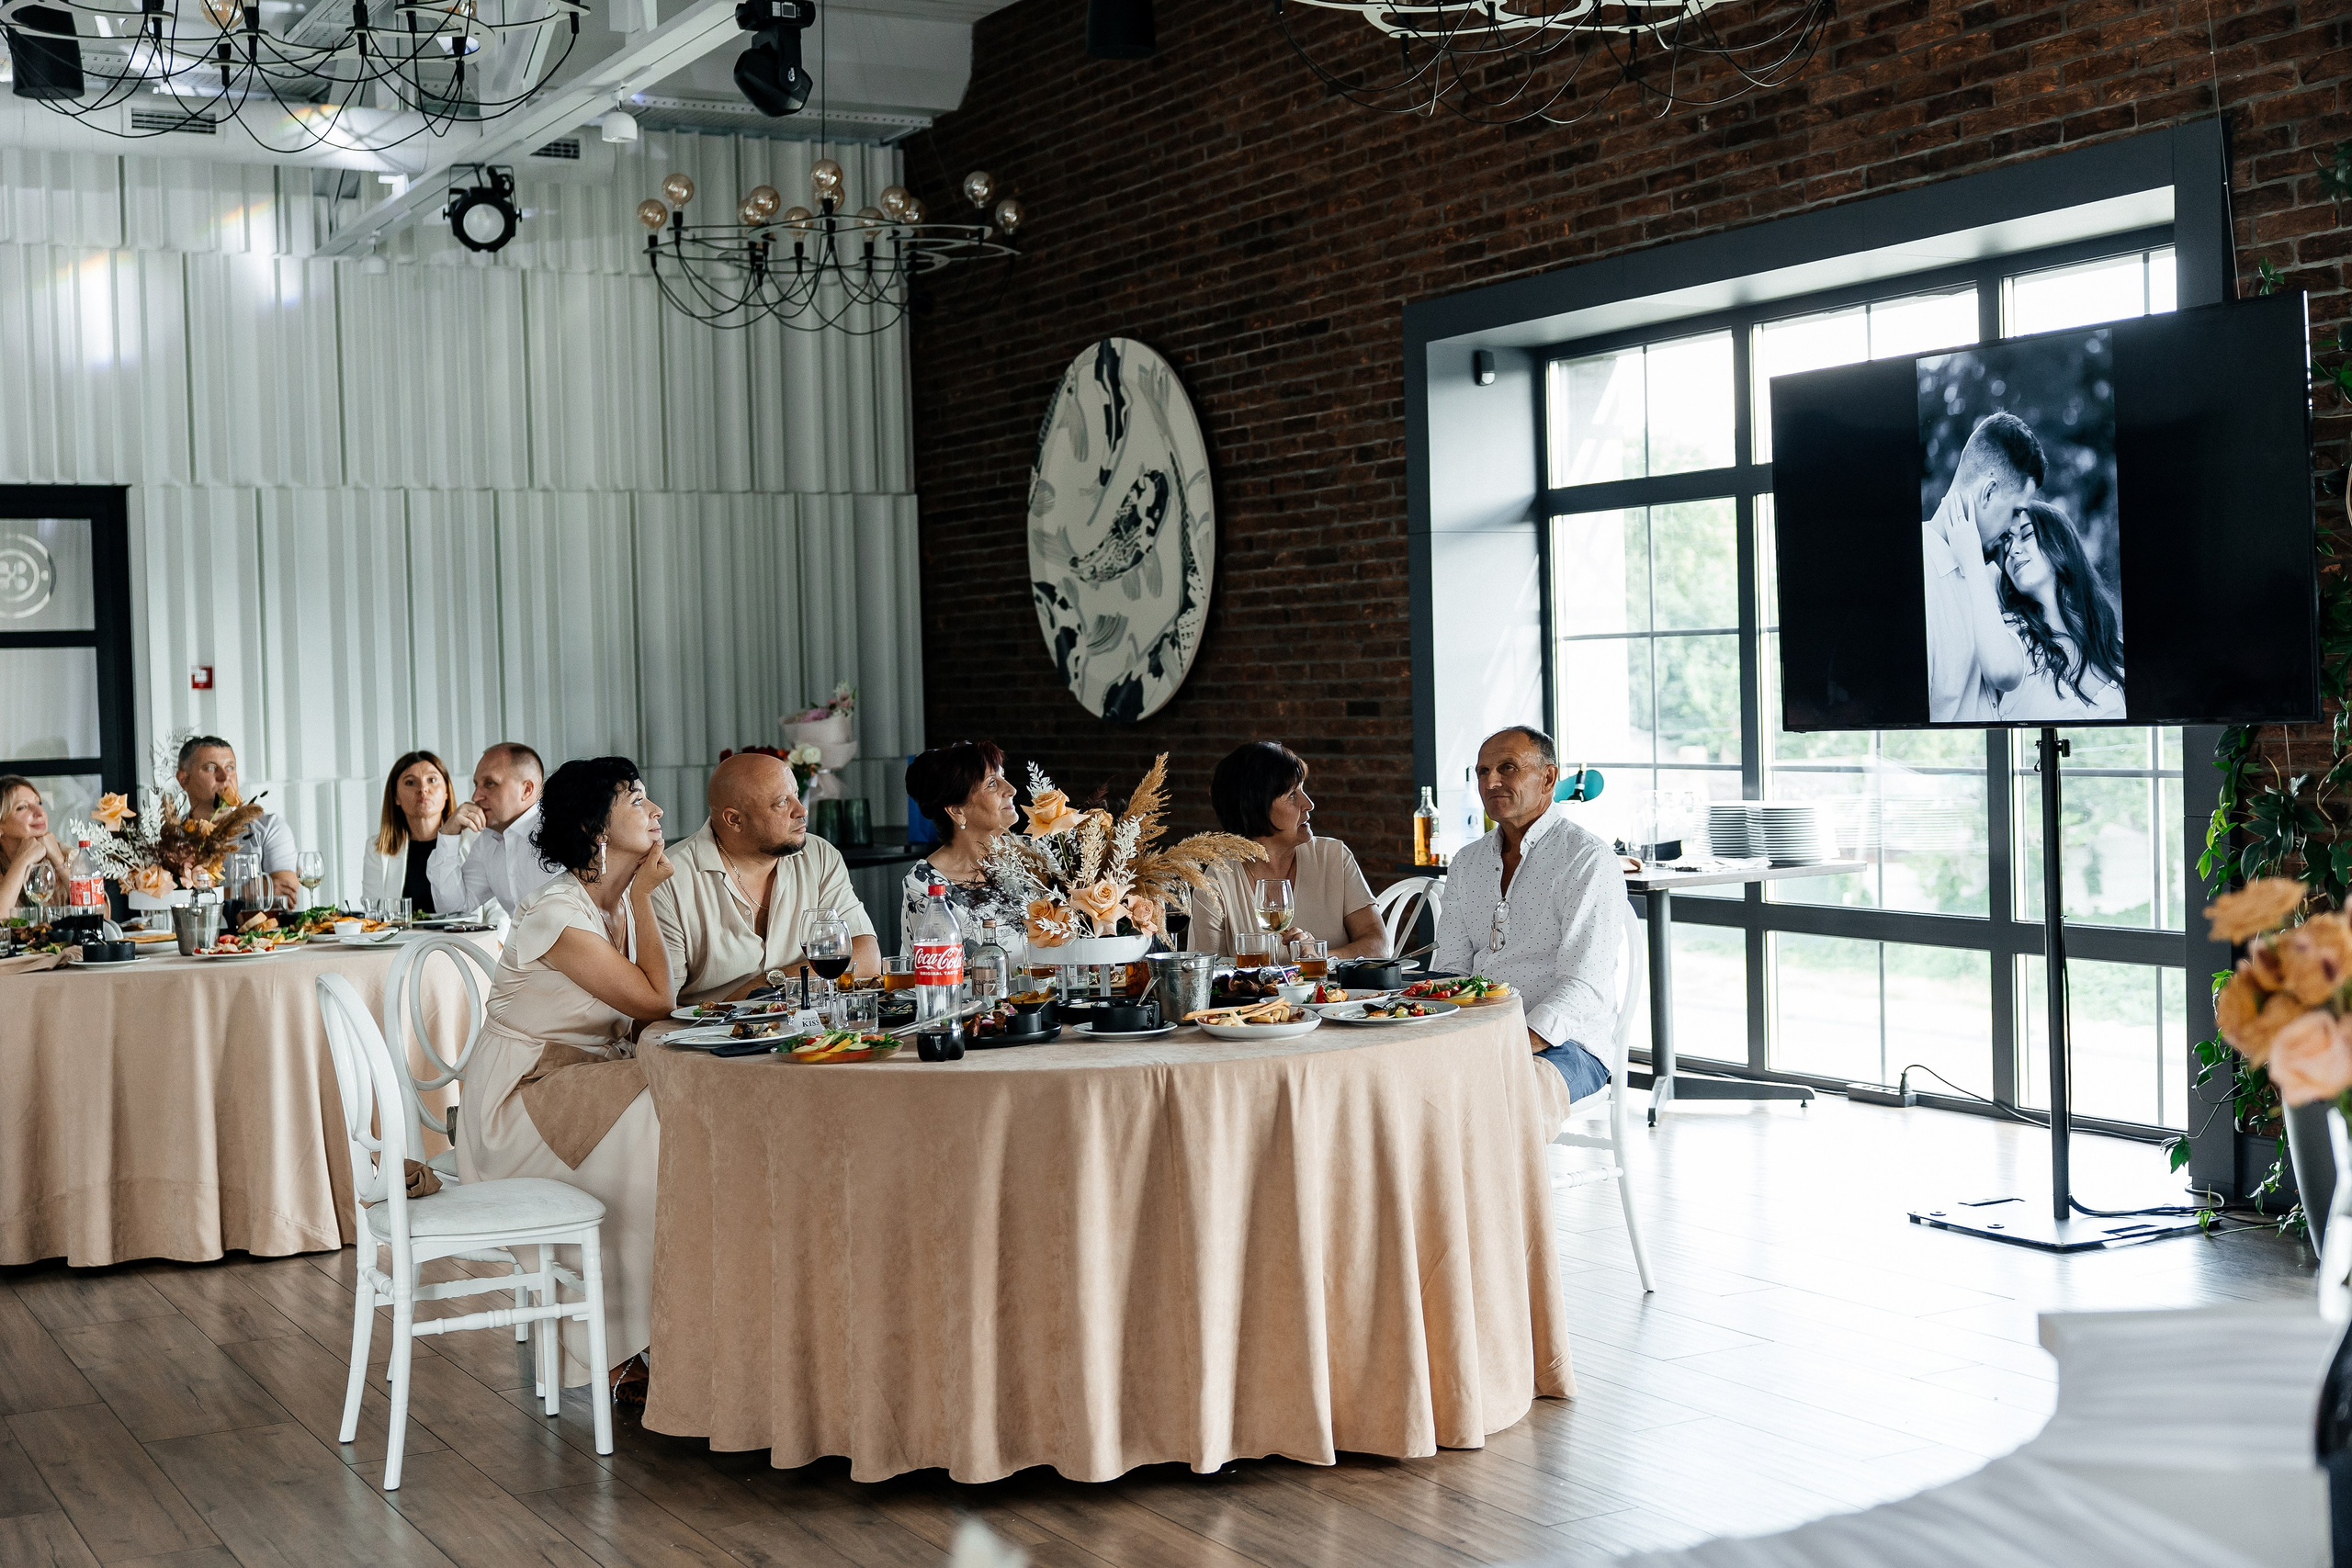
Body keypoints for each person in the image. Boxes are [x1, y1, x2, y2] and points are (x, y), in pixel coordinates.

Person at [456, 758, 674, 1407]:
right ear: (593, 827)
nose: (656, 811)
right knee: (654, 1117)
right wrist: (644, 896)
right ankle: (619, 1346)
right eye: (637, 799)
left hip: (575, 1083)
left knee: (670, 1109)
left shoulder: (609, 907)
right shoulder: (559, 913)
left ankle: (661, 1333)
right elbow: (656, 1001)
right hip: (515, 1103)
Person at [1431, 726, 1619, 1105]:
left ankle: (1492, 1167)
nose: (1491, 781)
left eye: (1508, 768)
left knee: (1502, 1097)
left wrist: (1513, 1042)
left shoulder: (1586, 859)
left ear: (1548, 778)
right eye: (1483, 771)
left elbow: (1585, 984)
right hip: (1479, 1032)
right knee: (1393, 1082)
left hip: (1568, 1043)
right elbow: (1450, 969)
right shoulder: (1467, 863)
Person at [651, 750, 879, 1009]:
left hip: (808, 1027)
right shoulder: (669, 879)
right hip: (710, 1037)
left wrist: (766, 984)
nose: (801, 810)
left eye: (796, 793)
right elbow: (660, 1005)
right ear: (734, 819)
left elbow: (865, 958)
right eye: (782, 802)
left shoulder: (819, 855)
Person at [1192, 741, 1385, 960]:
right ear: (1256, 807)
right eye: (1293, 794)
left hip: (1337, 995)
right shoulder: (1217, 880)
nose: (1309, 804)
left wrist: (1318, 957)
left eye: (1303, 790)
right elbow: (1205, 969)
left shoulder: (1333, 857)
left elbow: (1378, 946)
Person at [1923, 412, 2043, 723]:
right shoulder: (1918, 576)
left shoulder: (1995, 578)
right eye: (2016, 511)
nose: (2014, 527)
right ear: (1988, 492)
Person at [1987, 499, 2127, 722]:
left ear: (2059, 542)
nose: (2013, 550)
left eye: (2026, 535)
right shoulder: (2013, 636)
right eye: (2007, 543)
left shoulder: (2113, 647)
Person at [901, 741, 1031, 963]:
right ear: (957, 810)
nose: (1011, 789)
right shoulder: (925, 886)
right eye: (992, 783)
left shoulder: (1033, 856)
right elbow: (939, 974)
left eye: (1003, 776)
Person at [441, 743, 564, 916]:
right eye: (477, 784)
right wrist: (448, 835)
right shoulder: (488, 840)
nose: (475, 796)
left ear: (526, 790)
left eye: (490, 784)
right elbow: (454, 907)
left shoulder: (565, 829)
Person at [175, 737, 300, 901]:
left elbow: (285, 894)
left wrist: (198, 898)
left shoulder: (270, 827)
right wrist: (247, 892)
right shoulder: (169, 838)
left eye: (230, 767)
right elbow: (160, 903)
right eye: (211, 768)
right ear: (184, 780)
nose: (225, 776)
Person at [359, 750, 471, 915]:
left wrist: (494, 940)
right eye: (410, 782)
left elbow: (495, 909)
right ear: (396, 797)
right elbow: (374, 912)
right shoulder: (377, 848)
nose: (423, 789)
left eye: (432, 780)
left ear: (447, 791)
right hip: (403, 940)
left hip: (461, 939)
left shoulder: (472, 839)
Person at [0, 776, 68, 914]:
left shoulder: (65, 853)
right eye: (22, 807)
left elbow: (103, 917)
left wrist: (59, 861)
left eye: (39, 803)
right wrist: (22, 859)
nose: (40, 813)